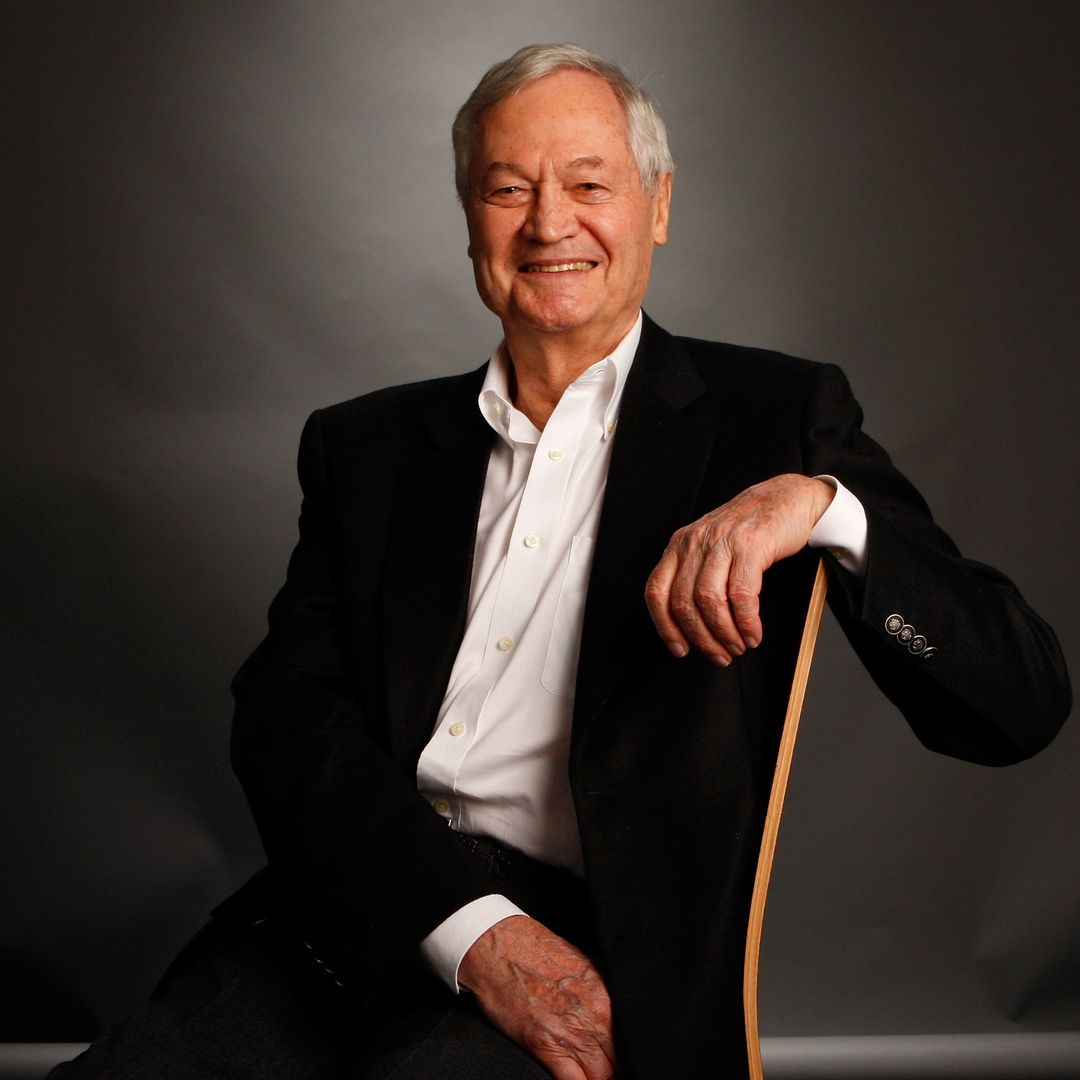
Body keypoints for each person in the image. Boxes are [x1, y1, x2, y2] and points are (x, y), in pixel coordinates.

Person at [53, 42, 1070, 1080]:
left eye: (589, 184)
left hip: (589, 953)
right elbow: (285, 721)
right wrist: (467, 928)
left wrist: (824, 506)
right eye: (507, 190)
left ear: (657, 205)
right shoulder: (365, 447)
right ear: (468, 220)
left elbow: (1019, 705)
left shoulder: (777, 424)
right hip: (349, 904)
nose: (549, 224)